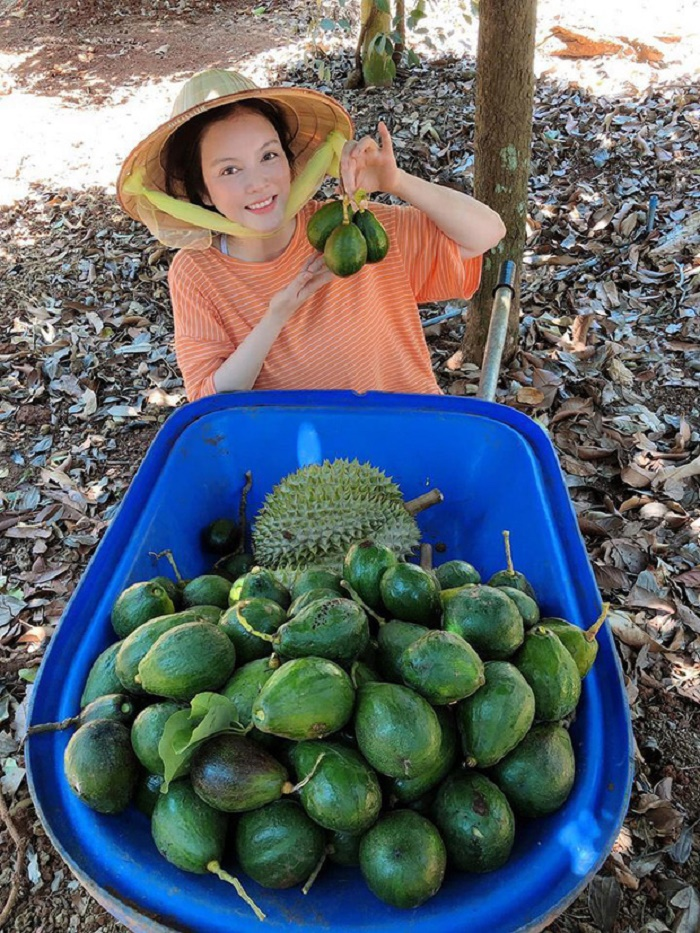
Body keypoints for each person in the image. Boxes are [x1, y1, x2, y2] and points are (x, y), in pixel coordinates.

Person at [117, 69, 505, 401]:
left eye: (269, 156)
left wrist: (397, 181)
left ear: (289, 161)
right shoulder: (197, 272)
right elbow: (209, 400)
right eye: (230, 171)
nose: (258, 183)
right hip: (299, 466)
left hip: (408, 435)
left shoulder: (354, 225)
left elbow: (488, 232)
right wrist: (277, 314)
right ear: (202, 191)